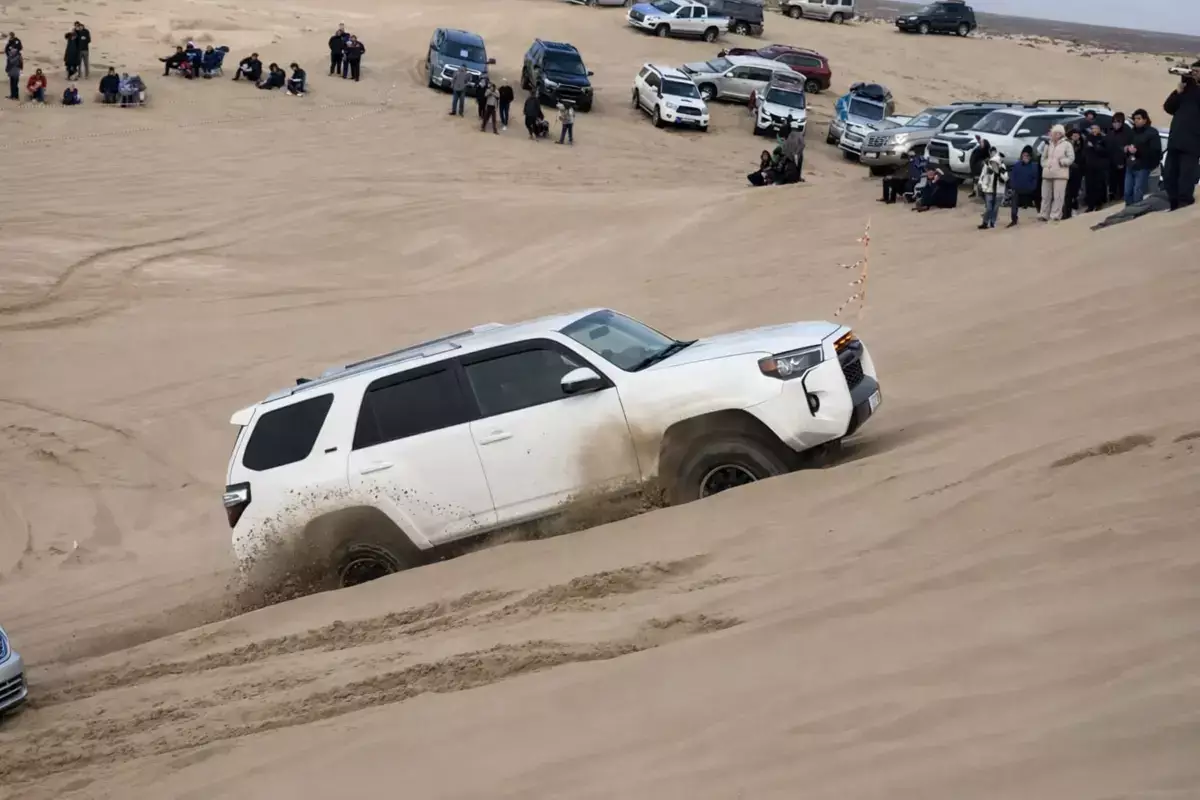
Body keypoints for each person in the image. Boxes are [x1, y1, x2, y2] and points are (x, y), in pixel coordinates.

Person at [1162, 59, 1200, 211]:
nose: (1193, 74)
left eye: (1197, 71)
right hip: (1175, 140)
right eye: (1193, 71)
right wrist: (1178, 92)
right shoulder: (1184, 90)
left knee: (1186, 176)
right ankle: (1173, 203)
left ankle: (1184, 205)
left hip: (1192, 143)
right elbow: (1168, 107)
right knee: (1170, 176)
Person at [1123, 109, 1163, 206]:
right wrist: (1126, 149)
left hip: (1143, 167)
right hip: (1131, 165)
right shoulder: (1132, 132)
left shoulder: (1152, 132)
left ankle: (1137, 212)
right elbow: (1125, 144)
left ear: (1145, 120)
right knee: (1127, 192)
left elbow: (1155, 151)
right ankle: (1128, 212)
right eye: (1135, 118)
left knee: (1138, 191)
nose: (1136, 120)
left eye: (1139, 118)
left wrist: (1138, 151)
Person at [1038, 124, 1074, 221]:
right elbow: (1043, 158)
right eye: (1053, 133)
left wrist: (1062, 162)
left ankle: (1055, 215)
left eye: (1057, 133)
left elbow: (1071, 158)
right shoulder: (1048, 144)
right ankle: (1043, 214)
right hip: (1047, 173)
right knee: (1045, 195)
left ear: (1061, 134)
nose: (1054, 135)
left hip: (1060, 174)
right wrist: (1045, 165)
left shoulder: (1067, 144)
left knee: (1058, 196)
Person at [1006, 146, 1039, 227]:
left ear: (1030, 157)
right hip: (1017, 189)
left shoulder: (1034, 166)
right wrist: (1013, 186)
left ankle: (1041, 216)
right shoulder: (1017, 165)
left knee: (1038, 198)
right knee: (1014, 200)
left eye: (1027, 156)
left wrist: (1032, 187)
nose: (1025, 157)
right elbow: (1012, 177)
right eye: (1024, 155)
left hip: (1030, 190)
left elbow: (1036, 178)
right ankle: (1014, 219)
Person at [1082, 122, 1110, 212]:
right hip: (1089, 166)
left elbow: (1105, 152)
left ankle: (1099, 204)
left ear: (1099, 129)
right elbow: (1085, 151)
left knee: (1099, 185)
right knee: (1089, 186)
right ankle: (1090, 205)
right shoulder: (1088, 138)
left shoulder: (1103, 138)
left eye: (1096, 128)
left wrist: (1094, 146)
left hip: (1099, 166)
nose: (1094, 130)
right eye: (1092, 128)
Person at [1105, 112, 1132, 203]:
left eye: (1118, 122)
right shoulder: (1111, 132)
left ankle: (1122, 197)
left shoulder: (1127, 132)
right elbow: (1108, 146)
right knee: (1112, 182)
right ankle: (1113, 196)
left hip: (1122, 162)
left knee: (1122, 182)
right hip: (1111, 162)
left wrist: (1121, 161)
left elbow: (1124, 148)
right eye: (1114, 122)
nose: (1116, 124)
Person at [977, 150, 1008, 229]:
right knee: (989, 208)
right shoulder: (987, 166)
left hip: (998, 192)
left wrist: (999, 172)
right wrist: (983, 186)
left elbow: (1005, 179)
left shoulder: (1003, 167)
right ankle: (985, 222)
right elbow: (983, 176)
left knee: (995, 209)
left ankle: (992, 222)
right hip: (989, 191)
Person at [1063, 128, 1086, 219]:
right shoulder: (1067, 145)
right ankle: (1066, 212)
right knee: (1068, 193)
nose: (1075, 136)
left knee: (1075, 192)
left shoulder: (1082, 145)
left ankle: (1074, 208)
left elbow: (1083, 158)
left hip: (1078, 171)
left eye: (1077, 135)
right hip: (1068, 171)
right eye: (1074, 135)